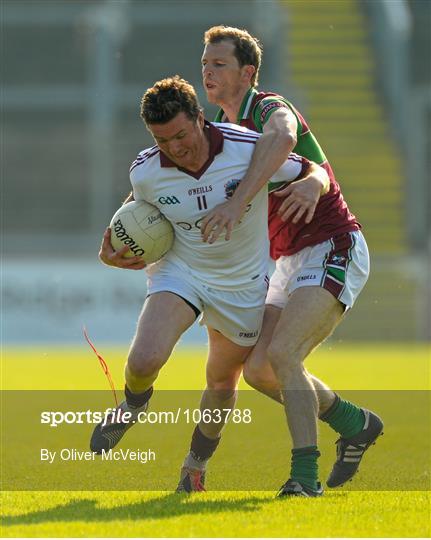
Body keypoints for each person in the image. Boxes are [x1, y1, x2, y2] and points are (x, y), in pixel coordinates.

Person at [89, 75, 330, 493]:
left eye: (181, 135)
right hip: (181, 270)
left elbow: (312, 170)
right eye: (163, 141)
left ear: (200, 118)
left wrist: (314, 183)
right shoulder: (146, 169)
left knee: (221, 382)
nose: (175, 148)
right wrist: (112, 245)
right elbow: (136, 206)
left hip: (241, 283)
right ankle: (132, 404)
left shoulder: (247, 147)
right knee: (145, 358)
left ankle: (194, 466)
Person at [196, 26, 384, 497]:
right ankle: (354, 423)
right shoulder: (217, 131)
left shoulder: (267, 107)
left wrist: (308, 182)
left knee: (283, 354)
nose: (208, 71)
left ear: (248, 72)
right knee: (259, 369)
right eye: (205, 64)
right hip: (288, 260)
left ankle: (305, 477)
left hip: (333, 244)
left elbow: (285, 136)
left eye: (219, 64)